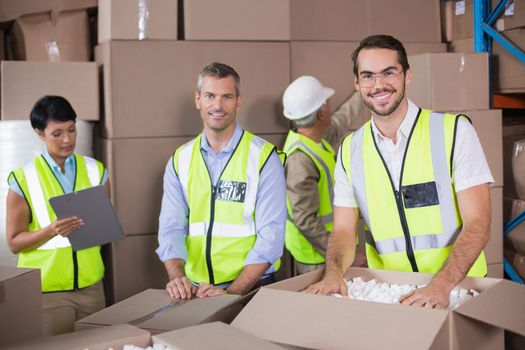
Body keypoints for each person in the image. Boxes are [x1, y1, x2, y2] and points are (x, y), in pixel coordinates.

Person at [305, 34, 493, 309]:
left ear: (408, 75)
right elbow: (344, 230)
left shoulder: (453, 132)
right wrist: (333, 274)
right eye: (367, 76)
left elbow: (479, 222)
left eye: (389, 72)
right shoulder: (350, 150)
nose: (378, 84)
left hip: (459, 290)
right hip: (392, 293)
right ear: (357, 84)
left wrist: (440, 286)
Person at [157, 62, 286, 299]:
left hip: (252, 289)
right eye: (210, 96)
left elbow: (272, 237)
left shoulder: (264, 158)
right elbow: (170, 229)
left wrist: (231, 294)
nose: (217, 105)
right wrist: (177, 278)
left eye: (227, 96)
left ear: (238, 101)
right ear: (198, 100)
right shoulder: (180, 160)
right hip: (197, 290)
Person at [6, 95, 109, 335]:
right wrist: (52, 230)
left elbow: (104, 226)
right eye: (57, 133)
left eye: (72, 130)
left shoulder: (96, 171)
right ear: (40, 133)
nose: (67, 139)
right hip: (48, 294)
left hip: (92, 288)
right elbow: (13, 243)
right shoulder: (23, 180)